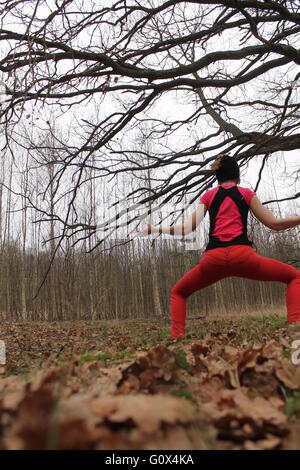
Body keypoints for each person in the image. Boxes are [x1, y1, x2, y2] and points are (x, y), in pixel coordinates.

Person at [137, 154, 300, 340]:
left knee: (179, 292)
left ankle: (177, 339)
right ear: (237, 176)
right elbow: (275, 224)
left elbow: (187, 229)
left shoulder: (208, 196)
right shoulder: (246, 193)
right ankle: (295, 332)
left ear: (217, 178)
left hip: (213, 260)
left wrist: (155, 228)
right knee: (294, 276)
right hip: (243, 257)